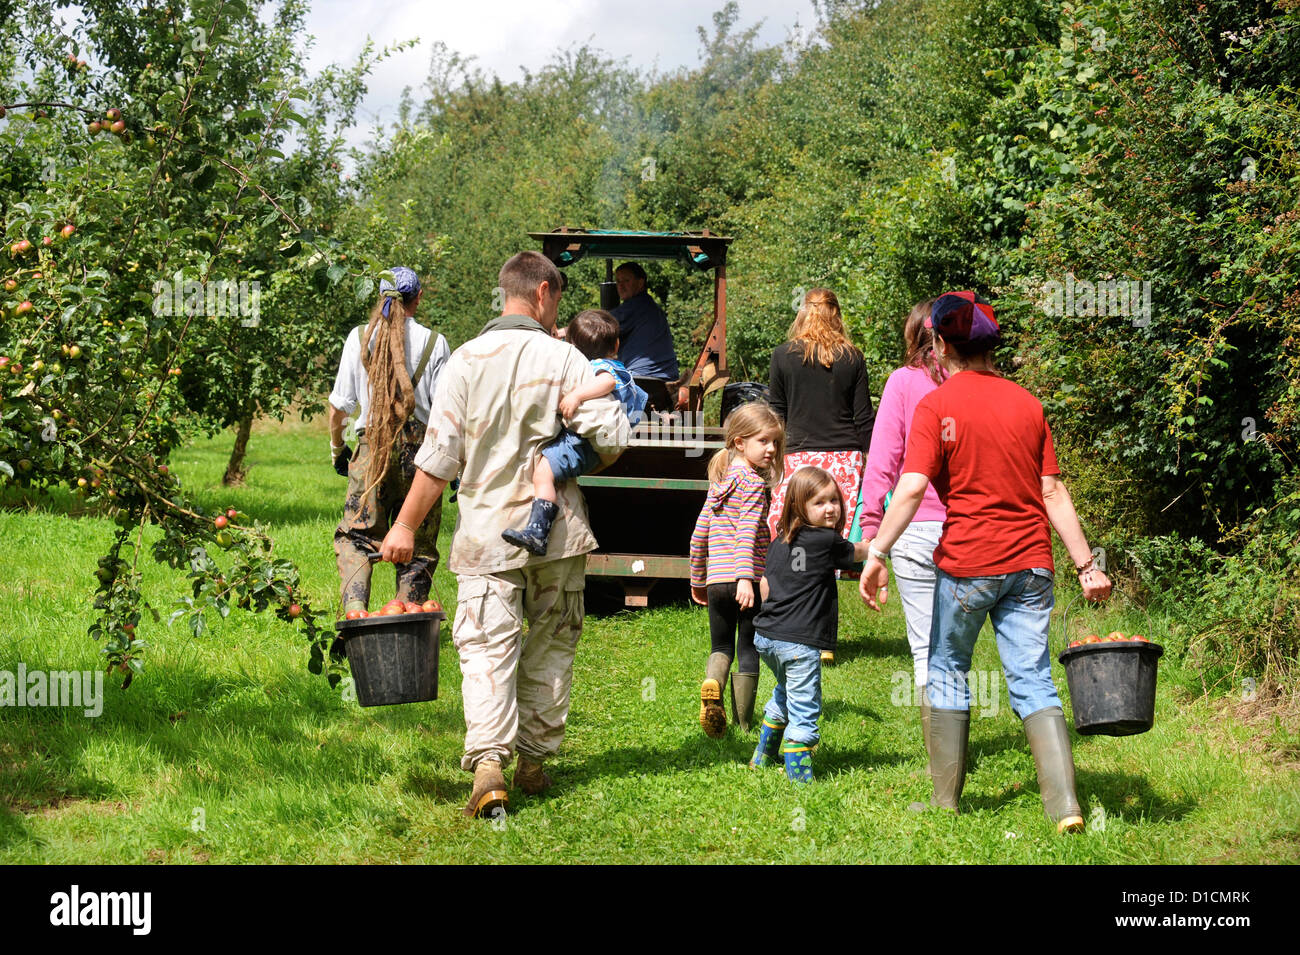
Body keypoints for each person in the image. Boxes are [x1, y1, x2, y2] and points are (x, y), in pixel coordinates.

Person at [380, 251, 629, 819]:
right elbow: (611, 439)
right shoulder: (567, 358)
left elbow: (439, 459)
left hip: (488, 535)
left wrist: (403, 525)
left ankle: (489, 766)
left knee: (486, 648)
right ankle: (534, 762)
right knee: (551, 642)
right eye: (557, 298)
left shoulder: (464, 361)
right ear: (543, 292)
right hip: (557, 533)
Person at [858, 291, 1112, 834]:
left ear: (942, 344)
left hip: (969, 562)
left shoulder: (937, 405)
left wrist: (876, 552)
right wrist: (1087, 566)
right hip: (1032, 565)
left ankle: (946, 803)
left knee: (947, 670)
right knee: (1034, 679)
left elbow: (910, 487)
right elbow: (1053, 492)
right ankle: (1065, 806)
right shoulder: (1028, 403)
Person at [328, 267, 450, 612]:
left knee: (356, 536)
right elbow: (445, 414)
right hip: (423, 454)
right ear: (418, 298)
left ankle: (355, 612)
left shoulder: (359, 337)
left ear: (379, 296)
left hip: (370, 450)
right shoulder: (435, 342)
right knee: (420, 543)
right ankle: (408, 616)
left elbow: (339, 408)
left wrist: (338, 449)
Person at [857, 297, 946, 759]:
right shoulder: (976, 383)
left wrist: (871, 529)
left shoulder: (902, 383)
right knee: (961, 645)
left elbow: (884, 460)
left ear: (914, 338)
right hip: (972, 529)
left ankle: (943, 760)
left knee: (927, 649)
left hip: (915, 527)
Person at [767, 287, 875, 663]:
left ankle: (788, 628)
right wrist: (873, 466)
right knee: (828, 548)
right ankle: (825, 641)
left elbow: (776, 413)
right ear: (836, 314)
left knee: (795, 543)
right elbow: (863, 418)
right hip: (844, 460)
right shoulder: (853, 358)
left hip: (797, 459)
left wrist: (771, 459)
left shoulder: (782, 356)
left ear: (802, 314)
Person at [749, 467, 873, 782]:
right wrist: (879, 543)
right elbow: (856, 552)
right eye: (819, 503)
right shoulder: (824, 539)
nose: (830, 508)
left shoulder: (781, 540)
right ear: (799, 506)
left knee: (785, 691)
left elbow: (765, 585)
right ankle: (800, 779)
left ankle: (762, 755)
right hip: (797, 643)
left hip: (766, 636)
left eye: (834, 500)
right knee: (805, 704)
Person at [502, 309, 648, 556]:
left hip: (582, 442)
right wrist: (559, 335)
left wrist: (576, 395)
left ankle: (538, 531)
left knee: (542, 475)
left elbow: (607, 382)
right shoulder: (619, 366)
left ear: (574, 349)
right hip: (598, 443)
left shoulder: (601, 369)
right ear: (617, 344)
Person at [689, 401, 784, 737]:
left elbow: (699, 534)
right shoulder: (754, 484)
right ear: (740, 443)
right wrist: (745, 578)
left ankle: (713, 682)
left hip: (717, 581)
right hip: (746, 579)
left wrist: (698, 579)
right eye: (764, 441)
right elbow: (746, 533)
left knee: (720, 647)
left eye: (775, 442)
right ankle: (744, 724)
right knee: (747, 648)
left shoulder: (720, 481)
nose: (772, 449)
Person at [611, 262, 679, 382]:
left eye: (626, 281)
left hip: (644, 377)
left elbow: (599, 325)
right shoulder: (648, 305)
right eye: (618, 281)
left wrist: (569, 331)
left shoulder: (637, 305)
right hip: (666, 375)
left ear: (640, 283)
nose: (620, 286)